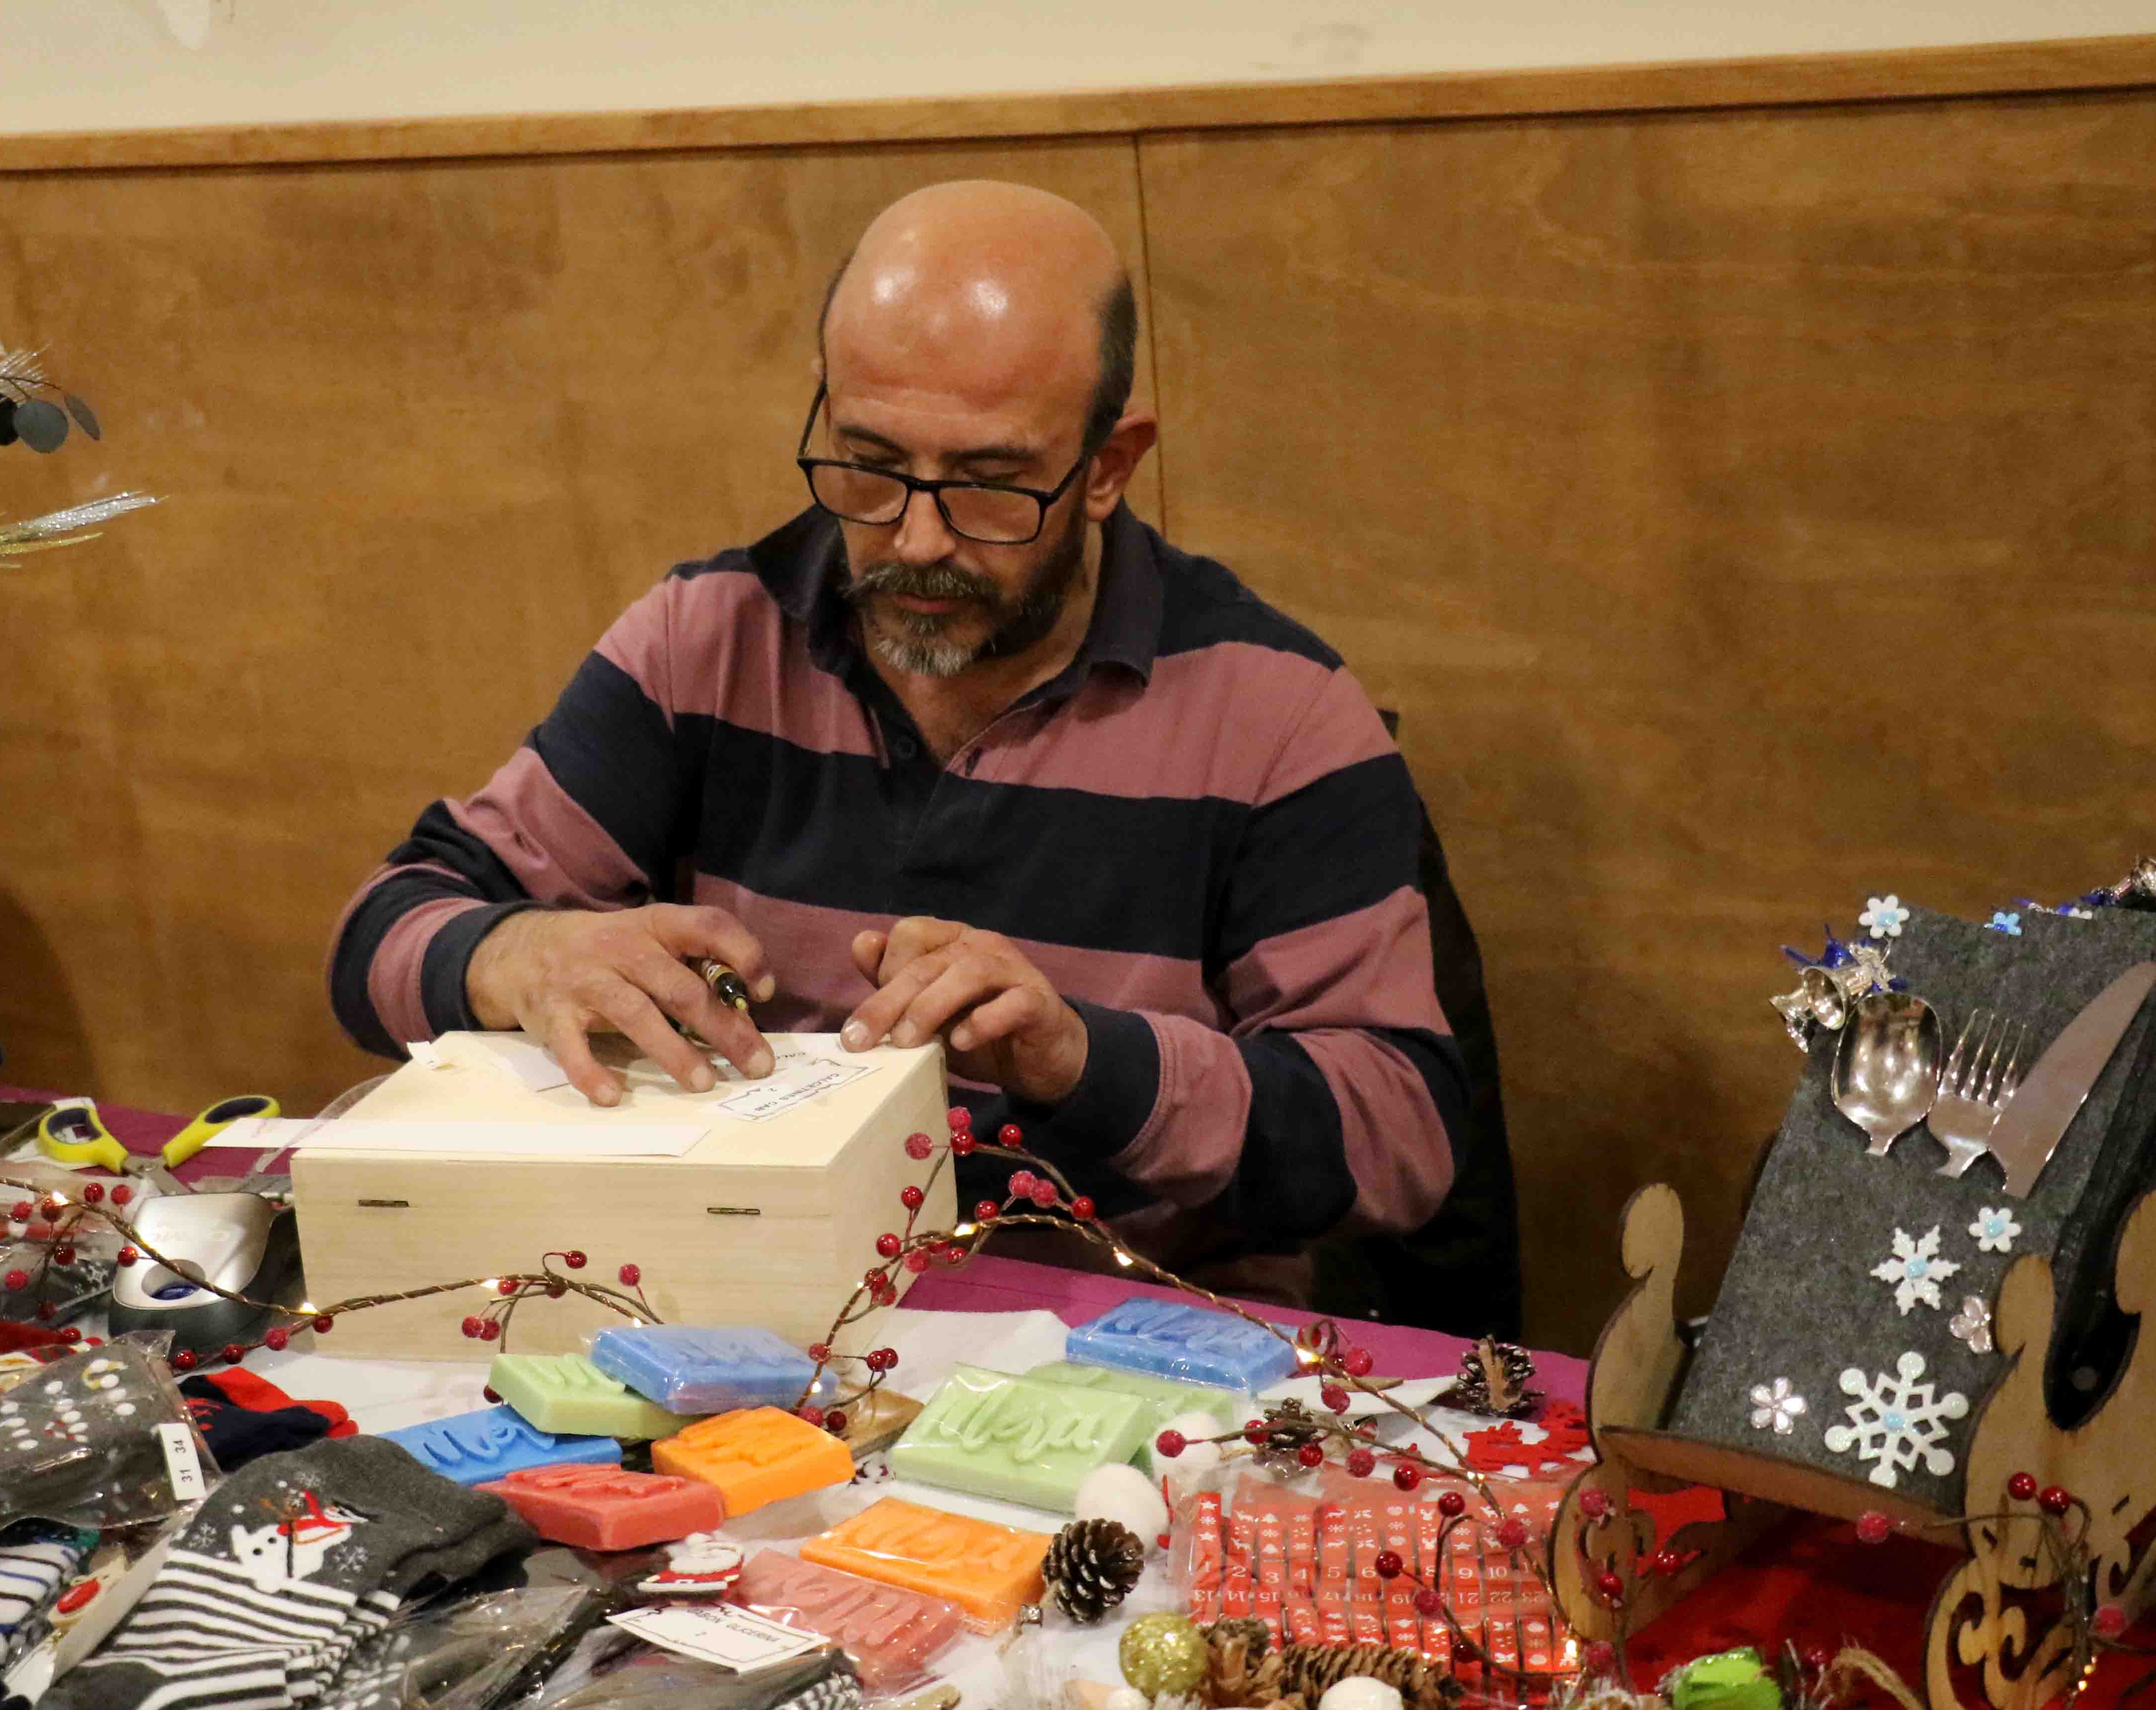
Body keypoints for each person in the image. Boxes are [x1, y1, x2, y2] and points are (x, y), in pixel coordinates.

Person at [330, 180, 1518, 1327]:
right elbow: (382, 931)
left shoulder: (1279, 712)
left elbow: (1403, 1137)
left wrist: (1081, 1059)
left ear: (1109, 465)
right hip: (736, 1326)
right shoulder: (707, 642)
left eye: (993, 486)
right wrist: (525, 954)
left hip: (1133, 1365)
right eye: (870, 463)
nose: (916, 539)